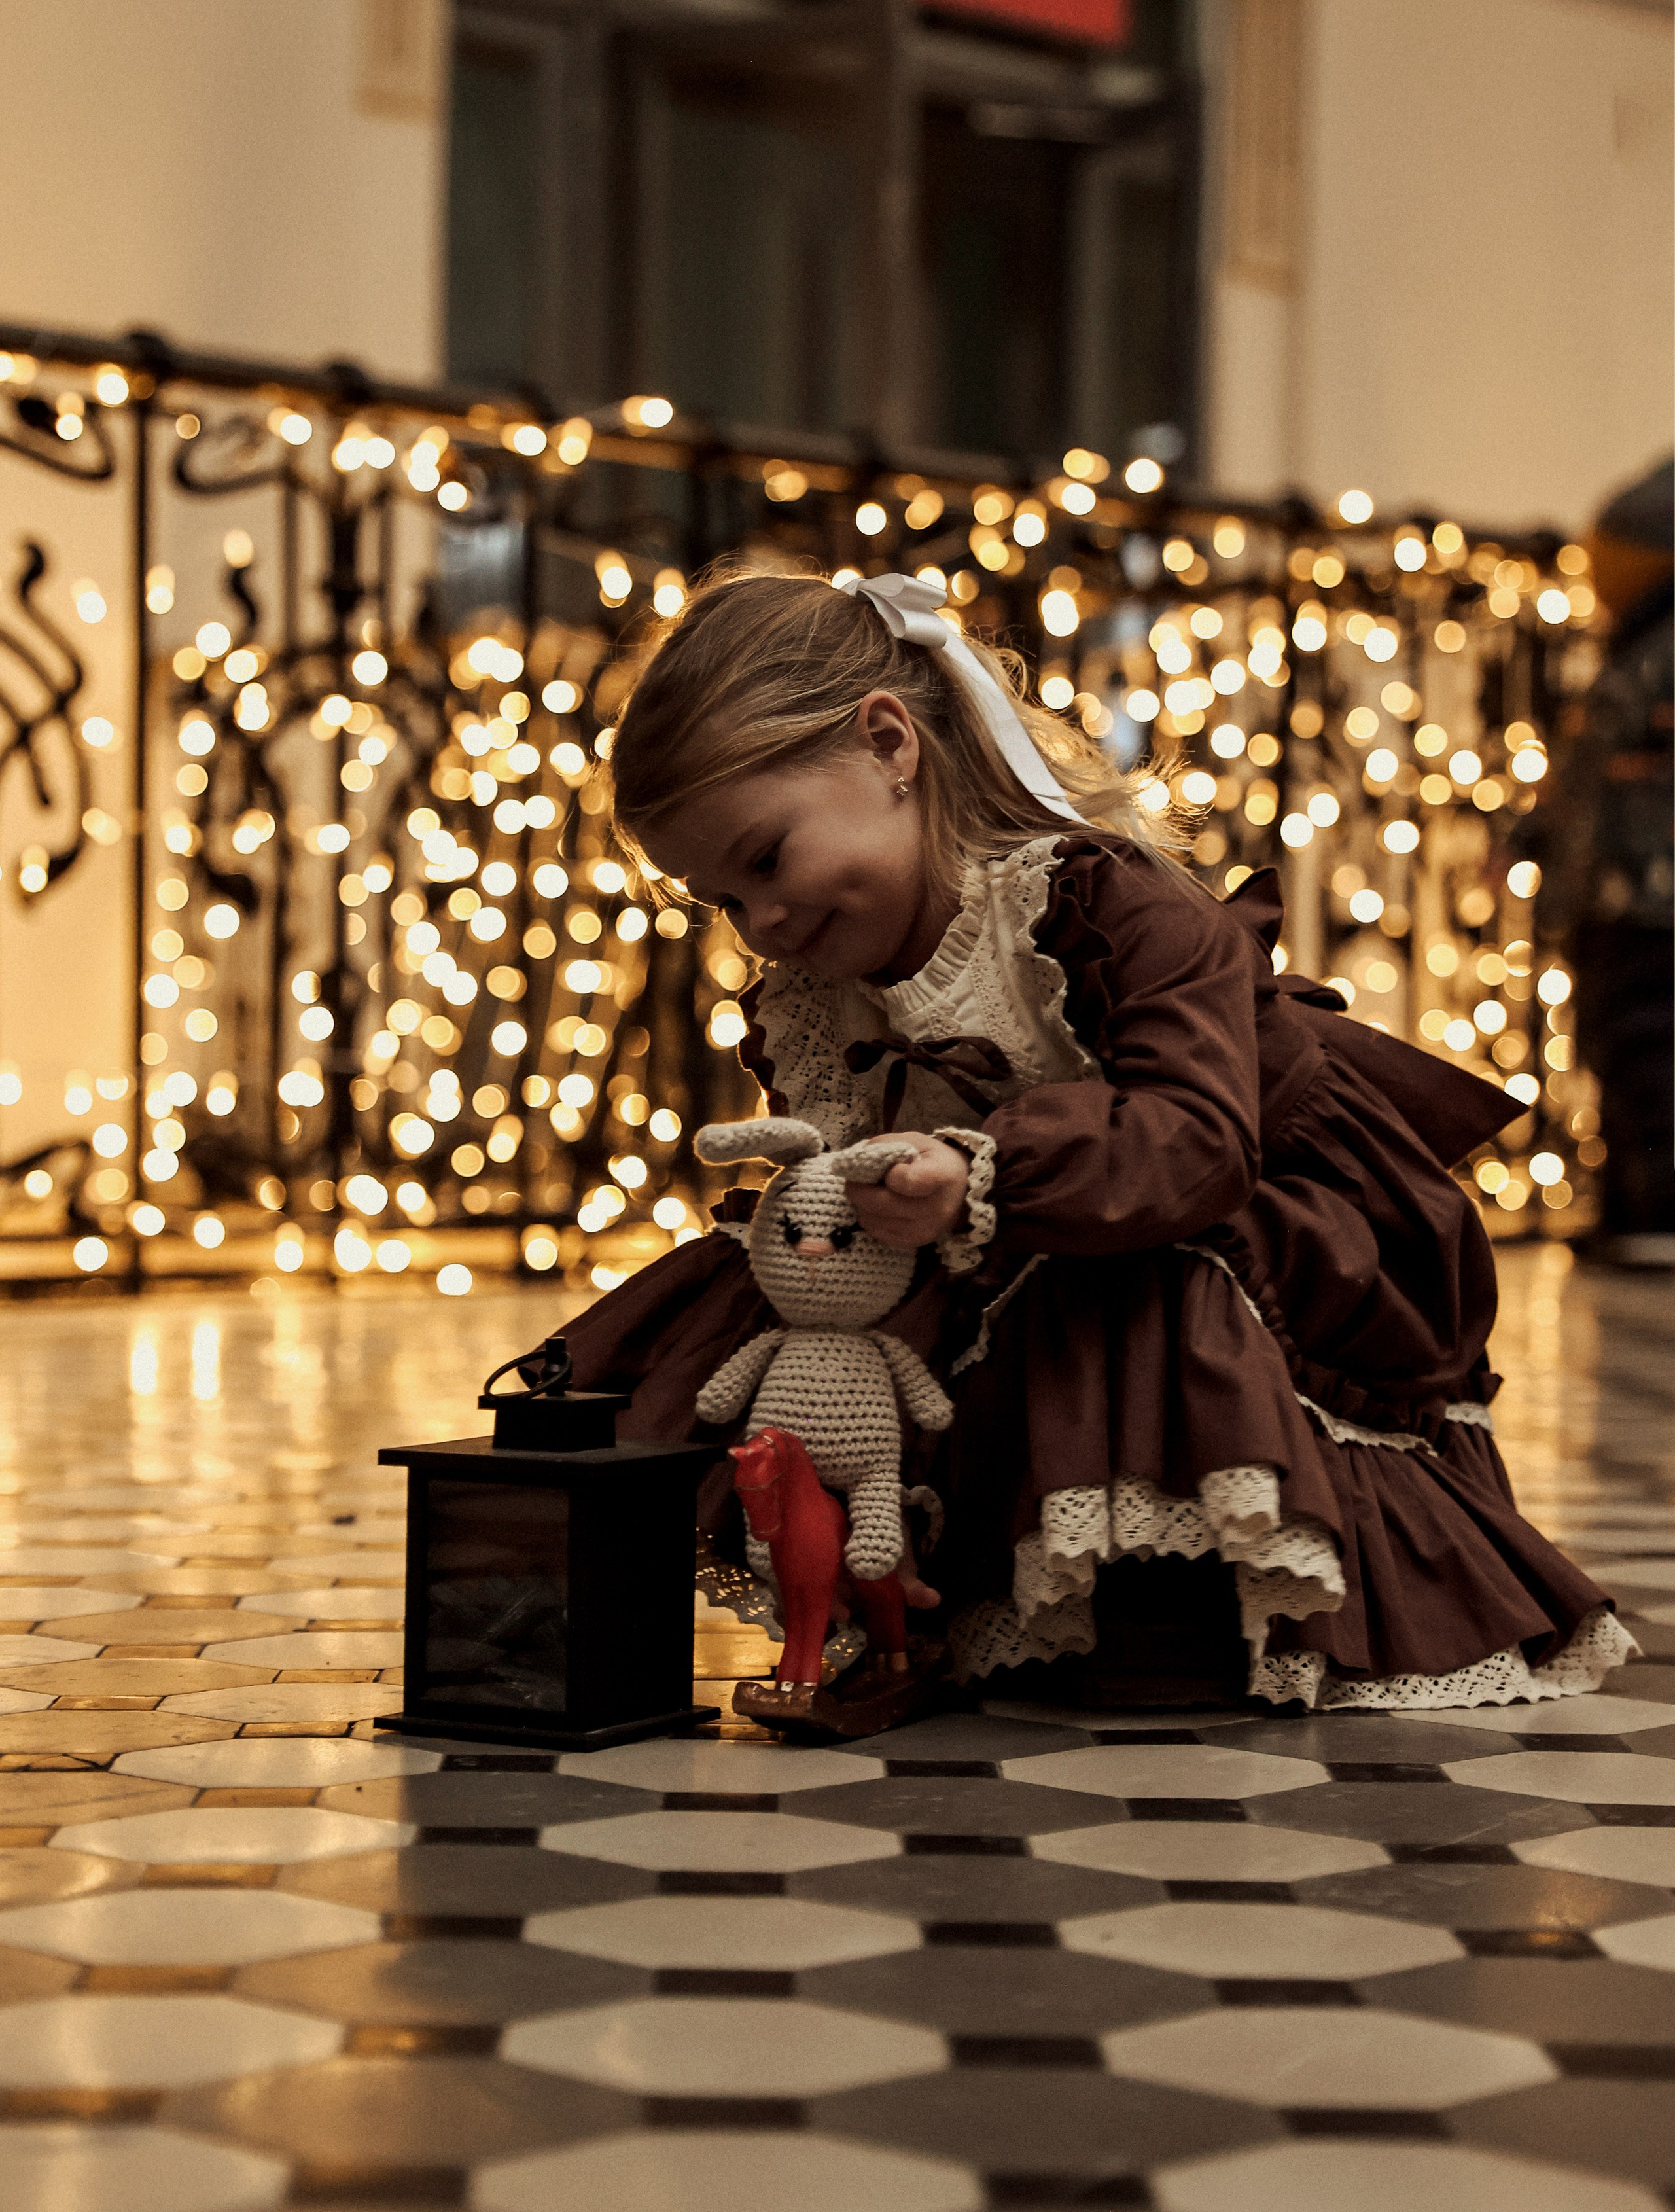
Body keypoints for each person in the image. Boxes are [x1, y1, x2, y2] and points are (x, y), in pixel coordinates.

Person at [561, 567, 1630, 1720]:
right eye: (722, 900)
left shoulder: (1101, 907)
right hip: (1019, 1239)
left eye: (767, 860)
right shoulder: (819, 997)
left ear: (889, 744)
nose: (761, 923)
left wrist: (987, 1174)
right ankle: (909, 1585)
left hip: (1245, 1217)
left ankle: (1176, 1593)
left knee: (1143, 1272)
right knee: (780, 1302)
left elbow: (1197, 1145)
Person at [1512, 459, 1674, 1268]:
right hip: (1617, 897)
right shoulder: (1635, 647)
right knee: (1620, 1047)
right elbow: (1588, 775)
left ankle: (1657, 1212)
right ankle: (1637, 1207)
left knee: (1651, 1048)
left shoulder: (1655, 648)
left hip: (1651, 898)